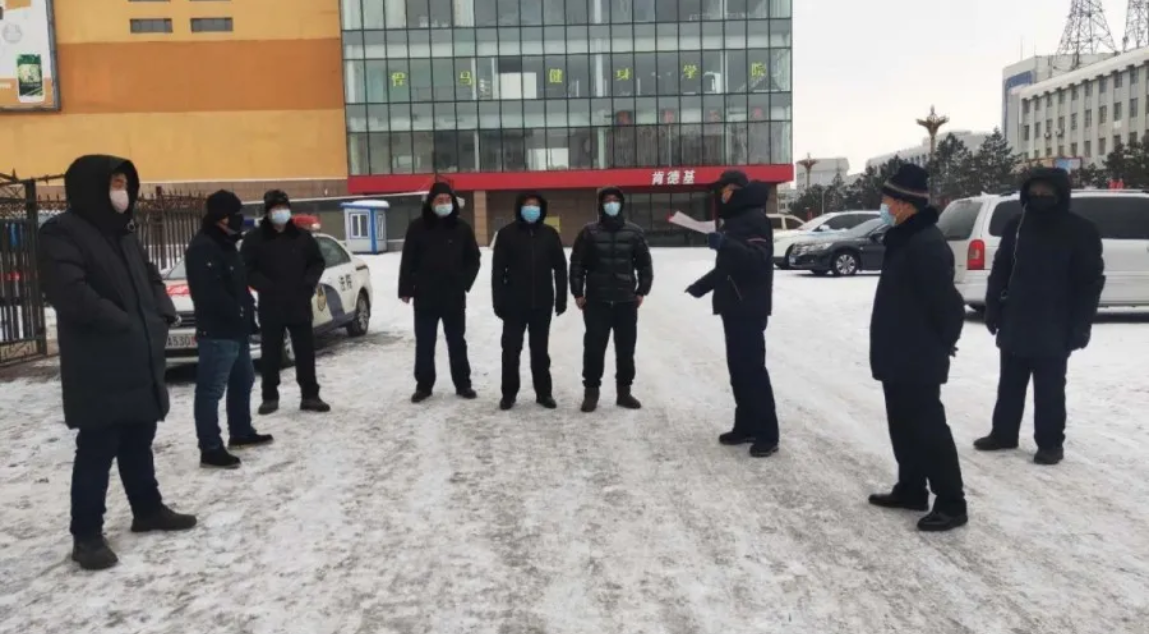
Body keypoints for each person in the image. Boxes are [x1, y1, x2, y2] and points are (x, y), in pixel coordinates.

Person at [38, 154, 197, 571]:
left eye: (125, 184)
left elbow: (151, 275)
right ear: (92, 187)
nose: (122, 192)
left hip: (138, 357)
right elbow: (71, 293)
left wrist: (161, 313)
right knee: (97, 448)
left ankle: (148, 509)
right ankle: (87, 536)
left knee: (139, 439)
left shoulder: (123, 231)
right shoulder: (61, 233)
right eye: (114, 183)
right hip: (99, 363)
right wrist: (123, 322)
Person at [976, 168, 1105, 465]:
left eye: (1047, 191)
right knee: (1009, 383)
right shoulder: (1017, 225)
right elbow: (1001, 268)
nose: (1039, 196)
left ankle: (1050, 443)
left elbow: (1090, 283)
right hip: (1015, 316)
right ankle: (1003, 433)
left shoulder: (1080, 230)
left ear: (1060, 194)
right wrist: (993, 306)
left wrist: (1081, 325)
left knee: (1049, 388)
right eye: (1034, 191)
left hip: (1055, 322)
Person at [867, 164, 968, 532]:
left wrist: (941, 343)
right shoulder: (904, 239)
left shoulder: (926, 243)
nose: (884, 205)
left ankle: (952, 502)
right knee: (903, 424)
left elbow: (947, 304)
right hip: (898, 350)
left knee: (928, 429)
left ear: (904, 203)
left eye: (887, 199)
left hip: (918, 354)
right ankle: (911, 488)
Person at [686, 170, 779, 458]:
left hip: (748, 306)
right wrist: (702, 286)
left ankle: (767, 434)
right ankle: (746, 425)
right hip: (733, 306)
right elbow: (728, 267)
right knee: (738, 371)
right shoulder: (736, 219)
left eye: (724, 189)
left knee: (752, 370)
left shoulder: (754, 218)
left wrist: (726, 243)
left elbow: (758, 260)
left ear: (736, 189)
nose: (721, 194)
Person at [186, 190, 274, 469]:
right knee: (211, 390)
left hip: (237, 330)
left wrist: (248, 313)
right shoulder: (203, 247)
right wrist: (236, 311)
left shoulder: (226, 244)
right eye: (235, 213)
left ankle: (241, 431)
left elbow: (239, 284)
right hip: (217, 331)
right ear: (221, 217)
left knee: (243, 380)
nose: (240, 218)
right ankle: (210, 447)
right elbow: (208, 292)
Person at [240, 189, 329, 415]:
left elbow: (317, 262)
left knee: (305, 352)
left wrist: (308, 284)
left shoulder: (301, 236)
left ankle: (310, 395)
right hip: (271, 303)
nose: (280, 212)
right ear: (268, 212)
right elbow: (247, 269)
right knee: (270, 352)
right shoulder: (255, 239)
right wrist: (265, 286)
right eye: (276, 208)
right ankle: (269, 396)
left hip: (299, 302)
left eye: (283, 208)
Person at [570, 186, 654, 413]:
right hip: (597, 301)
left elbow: (645, 265)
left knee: (626, 349)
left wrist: (641, 291)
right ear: (601, 205)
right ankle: (591, 392)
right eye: (607, 200)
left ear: (621, 204)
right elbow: (577, 264)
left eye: (615, 200)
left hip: (626, 301)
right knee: (594, 349)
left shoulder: (634, 232)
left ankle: (624, 392)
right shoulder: (589, 232)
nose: (611, 204)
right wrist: (578, 293)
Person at [398, 181, 481, 403]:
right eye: (439, 200)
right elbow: (408, 260)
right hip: (425, 296)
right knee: (425, 342)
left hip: (453, 296)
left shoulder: (462, 228)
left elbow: (474, 259)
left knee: (457, 341)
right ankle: (424, 386)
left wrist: (464, 282)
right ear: (431, 203)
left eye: (447, 200)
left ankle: (463, 384)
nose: (444, 203)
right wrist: (406, 288)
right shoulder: (417, 227)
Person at [492, 191, 568, 410]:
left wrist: (561, 297)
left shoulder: (550, 234)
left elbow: (560, 267)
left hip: (542, 303)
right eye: (527, 205)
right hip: (514, 303)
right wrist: (498, 301)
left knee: (540, 352)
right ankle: (508, 394)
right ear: (520, 208)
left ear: (541, 209)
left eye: (535, 205)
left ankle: (544, 393)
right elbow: (498, 271)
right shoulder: (506, 234)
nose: (531, 209)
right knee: (510, 350)